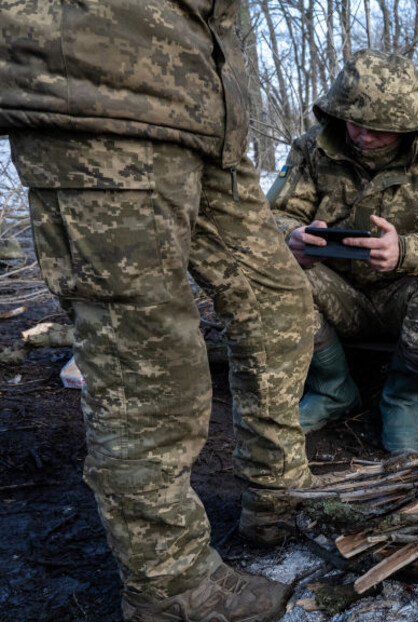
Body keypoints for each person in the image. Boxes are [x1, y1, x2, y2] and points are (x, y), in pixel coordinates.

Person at [0, 2, 315, 620]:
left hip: (203, 116)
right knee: (148, 364)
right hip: (96, 99)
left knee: (279, 306)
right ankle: (171, 588)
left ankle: (278, 497)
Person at [268, 50, 418, 453]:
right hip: (334, 290)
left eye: (378, 128)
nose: (363, 136)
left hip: (404, 298)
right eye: (355, 123)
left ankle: (402, 398)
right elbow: (273, 216)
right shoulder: (312, 149)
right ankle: (333, 388)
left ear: (407, 125)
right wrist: (293, 237)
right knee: (273, 271)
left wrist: (405, 251)